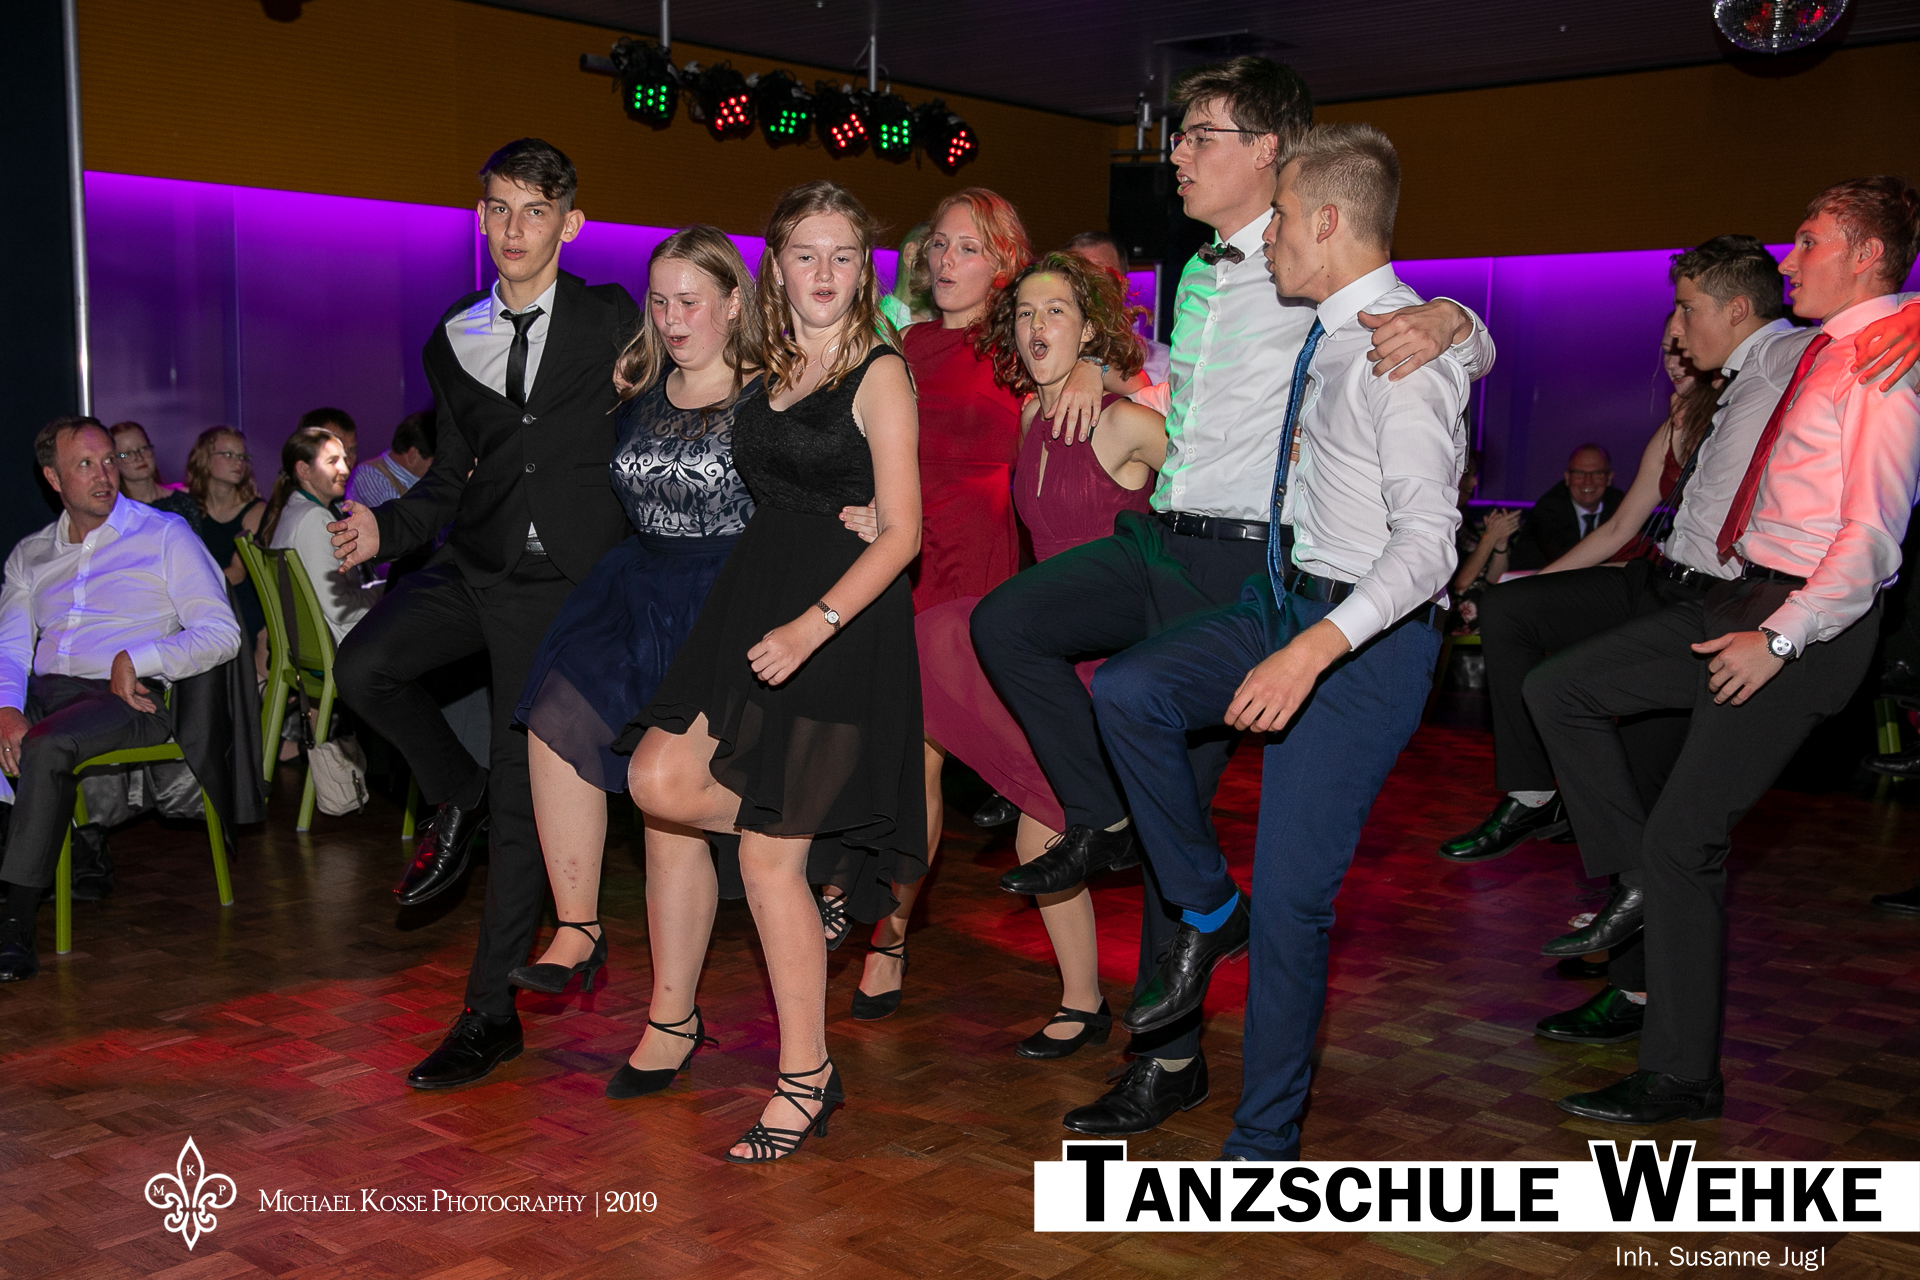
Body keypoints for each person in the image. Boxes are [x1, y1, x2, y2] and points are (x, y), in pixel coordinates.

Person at [970, 57, 1492, 1139]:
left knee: (1232, 856)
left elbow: (1420, 380)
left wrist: (1457, 319)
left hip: (1272, 576)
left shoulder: (1328, 292)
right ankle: (1114, 825)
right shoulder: (1216, 279)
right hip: (1187, 545)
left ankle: (1187, 1072)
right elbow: (1199, 401)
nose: (1174, 154)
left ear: (1272, 157)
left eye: (1199, 134)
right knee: (1032, 638)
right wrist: (1098, 369)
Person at [1091, 123, 1469, 1160]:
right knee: (1129, 691)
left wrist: (1311, 652)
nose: (1272, 240)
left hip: (1365, 642)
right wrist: (1464, 319)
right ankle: (1213, 909)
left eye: (1287, 220)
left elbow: (1430, 549)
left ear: (1330, 221)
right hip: (1285, 598)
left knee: (1296, 896)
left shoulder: (1403, 357)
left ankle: (1263, 1139)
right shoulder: (1344, 326)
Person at [1529, 175, 1920, 1125]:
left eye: (1810, 241)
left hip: (1802, 619)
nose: (1791, 259)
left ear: (1868, 256)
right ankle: (1632, 886)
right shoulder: (1824, 349)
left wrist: (1780, 638)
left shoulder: (1880, 367)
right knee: (1561, 687)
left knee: (1686, 840)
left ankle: (1680, 1076)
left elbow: (1872, 540)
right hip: (1743, 593)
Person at [326, 138, 639, 1090]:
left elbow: (674, 408)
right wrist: (384, 530)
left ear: (569, 224)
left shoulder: (612, 317)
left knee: (522, 794)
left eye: (534, 210)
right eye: (498, 207)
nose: (513, 227)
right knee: (363, 669)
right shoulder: (453, 334)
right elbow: (450, 477)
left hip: (564, 586)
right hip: (478, 562)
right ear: (480, 217)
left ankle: (488, 1015)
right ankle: (454, 793)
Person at [628, 180, 924, 1163]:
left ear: (865, 266)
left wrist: (816, 623)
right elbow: (684, 367)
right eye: (806, 253)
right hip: (754, 601)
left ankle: (806, 1076)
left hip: (839, 621)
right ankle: (828, 839)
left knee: (764, 858)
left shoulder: (881, 371)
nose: (825, 272)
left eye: (843, 254)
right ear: (777, 268)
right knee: (657, 777)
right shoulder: (770, 361)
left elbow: (905, 531)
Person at [870, 251, 1167, 1054]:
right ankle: (1084, 1001)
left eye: (1057, 312)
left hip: (1112, 653)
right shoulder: (1031, 418)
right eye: (1027, 313)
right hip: (1045, 647)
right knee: (932, 636)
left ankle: (1089, 1002)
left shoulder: (1124, 421)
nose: (1038, 326)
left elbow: (1209, 496)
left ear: (1090, 328)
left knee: (1043, 837)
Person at [829, 188, 1112, 1021]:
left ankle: (897, 936)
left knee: (942, 756)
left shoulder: (1019, 343)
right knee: (903, 763)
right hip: (903, 559)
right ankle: (887, 935)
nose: (945, 260)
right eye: (940, 246)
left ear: (1004, 262)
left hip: (981, 568)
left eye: (967, 248)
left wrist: (1092, 368)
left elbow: (1095, 384)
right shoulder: (907, 344)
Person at [505, 228, 761, 1100]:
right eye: (660, 300)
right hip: (638, 588)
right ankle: (579, 927)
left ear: (734, 301)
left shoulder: (770, 395)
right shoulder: (640, 386)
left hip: (723, 601)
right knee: (553, 717)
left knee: (665, 810)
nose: (673, 317)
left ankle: (672, 1018)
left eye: (691, 300)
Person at [0, 418, 242, 982]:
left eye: (108, 460)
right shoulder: (31, 554)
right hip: (47, 693)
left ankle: (15, 923)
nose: (104, 475)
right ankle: (72, 858)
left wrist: (142, 656)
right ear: (53, 478)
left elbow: (221, 632)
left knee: (46, 744)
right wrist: (7, 708)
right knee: (22, 731)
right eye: (85, 465)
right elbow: (10, 648)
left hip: (128, 698)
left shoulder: (164, 535)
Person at [1544, 339, 1720, 572]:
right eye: (1667, 352)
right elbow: (1618, 528)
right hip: (1681, 569)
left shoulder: (1731, 417)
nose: (1671, 364)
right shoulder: (1670, 431)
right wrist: (1541, 578)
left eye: (1682, 350)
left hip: (1721, 575)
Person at [261, 427, 384, 643]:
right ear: (304, 470)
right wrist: (386, 591)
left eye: (344, 459)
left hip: (320, 641)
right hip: (343, 644)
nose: (345, 469)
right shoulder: (313, 518)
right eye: (332, 461)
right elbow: (339, 607)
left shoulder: (293, 510)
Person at [1064, 231, 1171, 385]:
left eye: (1102, 276)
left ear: (1123, 287)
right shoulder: (1046, 356)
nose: (1089, 287)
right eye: (1077, 277)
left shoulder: (1162, 365)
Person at [1505, 444, 1624, 571]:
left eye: (1597, 473)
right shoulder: (1549, 509)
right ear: (1567, 478)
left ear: (1609, 478)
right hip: (1537, 580)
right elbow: (1567, 561)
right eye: (1579, 473)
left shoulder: (1620, 506)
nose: (1588, 481)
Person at [1447, 450, 1520, 633]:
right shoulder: (1443, 522)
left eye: (1474, 475)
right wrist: (1490, 537)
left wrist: (1499, 543)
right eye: (1468, 475)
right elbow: (1460, 583)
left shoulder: (1464, 522)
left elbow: (1494, 578)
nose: (1474, 482)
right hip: (1454, 617)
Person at [110, 421, 202, 528]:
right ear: (114, 462)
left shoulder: (183, 502)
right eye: (126, 454)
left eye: (143, 448)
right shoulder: (115, 512)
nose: (139, 457)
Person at [345, 410, 435, 510]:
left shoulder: (427, 481)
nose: (440, 468)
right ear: (413, 455)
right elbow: (398, 516)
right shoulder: (369, 475)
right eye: (434, 462)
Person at [877, 221, 932, 331]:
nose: (945, 260)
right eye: (937, 247)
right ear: (910, 254)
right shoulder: (869, 323)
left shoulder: (950, 326)